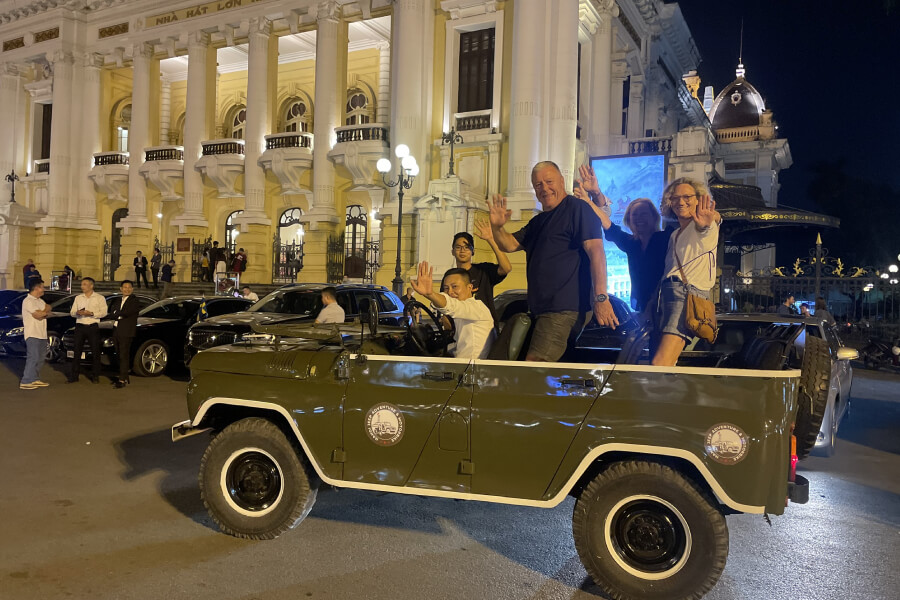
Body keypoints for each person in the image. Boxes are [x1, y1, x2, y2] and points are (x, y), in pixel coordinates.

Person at [487, 161, 618, 362]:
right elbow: (509, 245)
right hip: (542, 309)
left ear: (562, 181)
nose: (544, 188)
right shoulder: (538, 222)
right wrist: (497, 228)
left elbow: (597, 252)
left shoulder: (578, 208)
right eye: (538, 185)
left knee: (535, 368)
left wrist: (601, 298)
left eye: (549, 181)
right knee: (538, 371)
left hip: (563, 308)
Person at [575, 164, 673, 313]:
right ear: (629, 220)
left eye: (644, 214)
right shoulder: (631, 243)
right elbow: (608, 225)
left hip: (666, 305)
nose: (639, 218)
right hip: (642, 308)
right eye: (635, 215)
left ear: (654, 217)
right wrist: (590, 199)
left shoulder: (666, 238)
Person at [651, 178, 721, 367]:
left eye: (687, 196)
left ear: (699, 199)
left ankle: (655, 395)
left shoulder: (701, 226)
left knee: (661, 362)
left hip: (686, 295)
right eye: (675, 198)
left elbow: (707, 226)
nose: (680, 202)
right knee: (668, 361)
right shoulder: (675, 234)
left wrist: (710, 220)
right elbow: (668, 269)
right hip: (669, 293)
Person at [410, 262, 495, 359]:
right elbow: (457, 345)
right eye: (446, 288)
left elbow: (451, 305)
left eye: (455, 286)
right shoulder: (463, 313)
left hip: (471, 368)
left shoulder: (476, 307)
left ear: (469, 287)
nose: (450, 292)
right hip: (462, 365)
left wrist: (430, 294)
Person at [444, 227, 511, 327]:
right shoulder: (450, 276)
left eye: (467, 247)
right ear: (452, 251)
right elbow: (445, 304)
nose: (462, 250)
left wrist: (491, 240)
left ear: (473, 251)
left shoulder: (483, 270)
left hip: (484, 330)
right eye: (458, 247)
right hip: (459, 332)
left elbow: (506, 268)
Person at [67, 277, 107, 383]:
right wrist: (77, 313)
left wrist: (91, 313)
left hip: (92, 326)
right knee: (77, 351)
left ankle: (95, 375)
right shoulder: (78, 298)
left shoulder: (99, 298)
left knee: (95, 351)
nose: (82, 287)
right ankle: (74, 376)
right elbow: (72, 312)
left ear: (91, 286)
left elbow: (104, 312)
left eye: (84, 284)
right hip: (80, 326)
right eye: (82, 284)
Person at [20, 279, 52, 390]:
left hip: (42, 333)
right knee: (33, 357)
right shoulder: (28, 301)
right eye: (42, 287)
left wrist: (43, 312)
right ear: (36, 288)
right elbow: (38, 315)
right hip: (32, 333)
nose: (44, 289)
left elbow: (49, 308)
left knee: (40, 358)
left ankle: (34, 378)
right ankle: (26, 380)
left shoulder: (40, 301)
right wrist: (43, 312)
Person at [110, 280, 141, 388]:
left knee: (124, 355)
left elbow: (127, 313)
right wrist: (118, 314)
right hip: (116, 330)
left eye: (129, 287)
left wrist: (118, 314)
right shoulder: (118, 300)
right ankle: (124, 375)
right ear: (121, 289)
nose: (127, 289)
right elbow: (112, 312)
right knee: (118, 354)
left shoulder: (134, 300)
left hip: (126, 331)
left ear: (132, 289)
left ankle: (122, 379)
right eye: (125, 287)